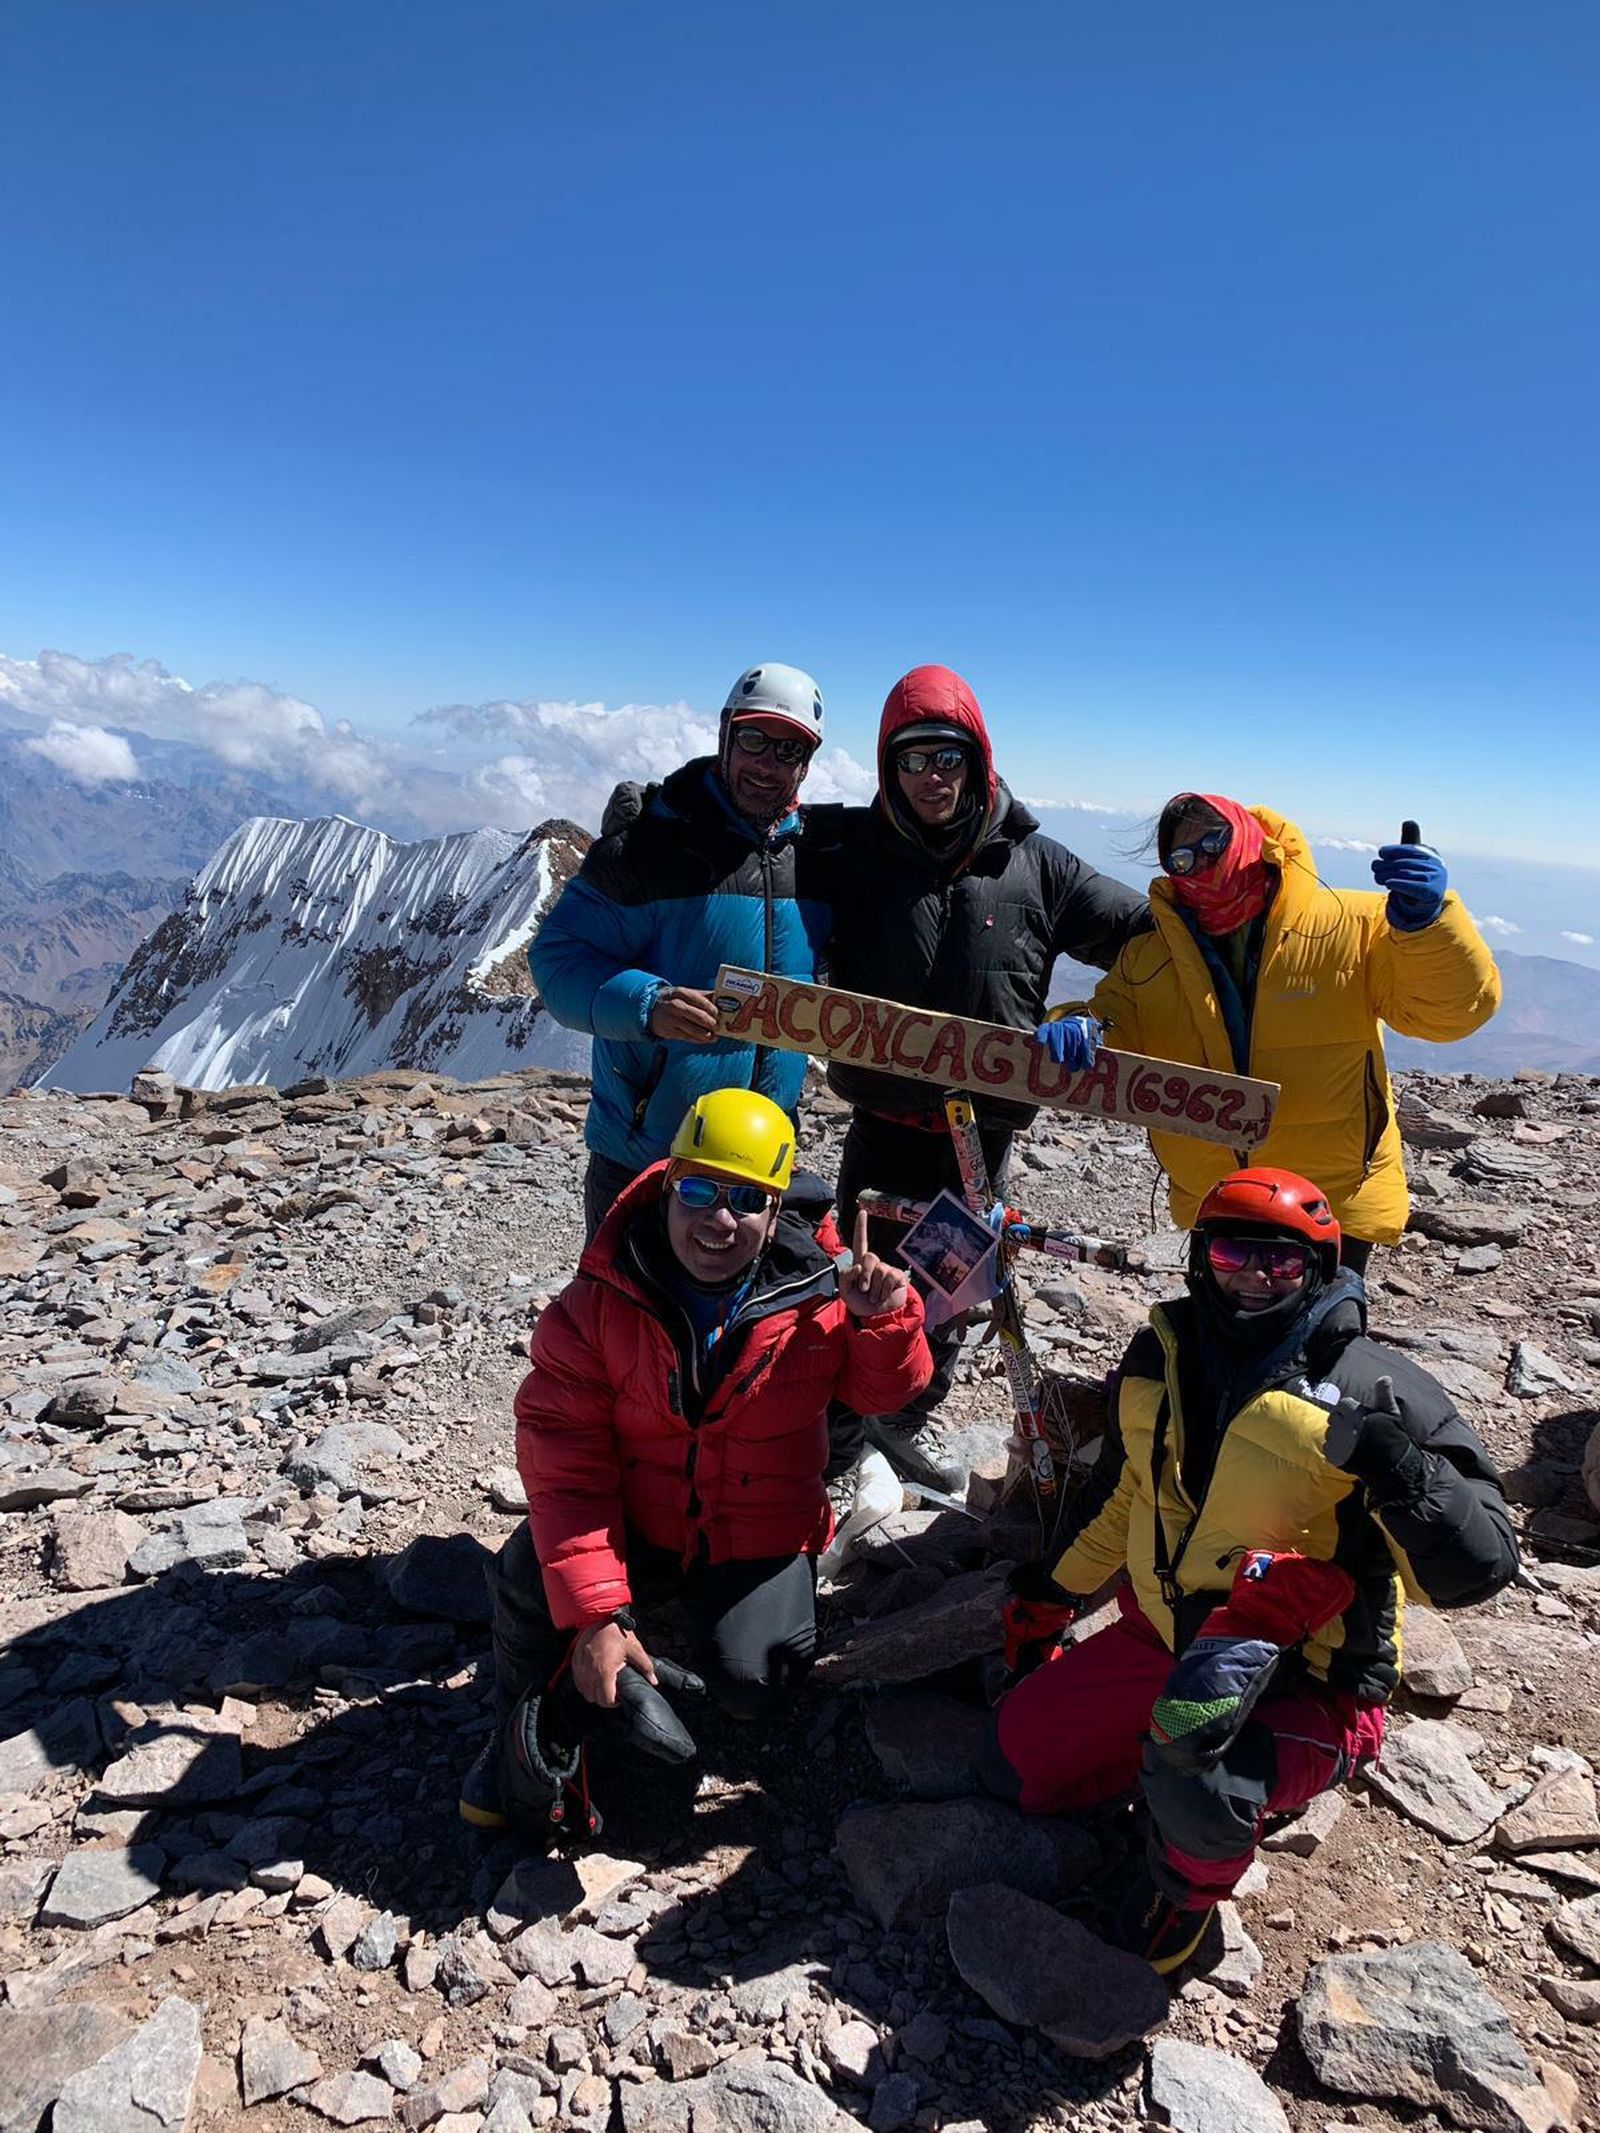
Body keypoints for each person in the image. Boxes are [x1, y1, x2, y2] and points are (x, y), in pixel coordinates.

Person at [983, 1167, 1518, 1974]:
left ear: (1323, 1268)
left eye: (1284, 1262)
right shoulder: (1160, 1351)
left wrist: (1405, 1471)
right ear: (1200, 1257)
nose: (1255, 1278)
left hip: (1308, 1674)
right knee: (1023, 1748)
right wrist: (1056, 1591)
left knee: (1198, 1776)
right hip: (1167, 1633)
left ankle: (1190, 1886)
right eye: (1235, 1254)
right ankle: (1173, 1769)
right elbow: (1129, 1490)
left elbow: (1479, 1568)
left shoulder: (1372, 1383)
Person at [459, 1088, 932, 1831]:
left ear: (778, 1213)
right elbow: (565, 1464)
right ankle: (518, 1729)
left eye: (746, 1199)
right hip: (639, 1523)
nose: (718, 1218)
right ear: (669, 1183)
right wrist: (596, 1615)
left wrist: (887, 1323)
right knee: (525, 1574)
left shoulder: (825, 1286)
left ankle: (642, 1673)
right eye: (700, 1189)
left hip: (759, 1530)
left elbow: (885, 1392)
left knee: (754, 1686)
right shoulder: (602, 1298)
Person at [815, 663, 1148, 1479]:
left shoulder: (1040, 866)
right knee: (860, 1288)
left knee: (950, 1297)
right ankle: (836, 1446)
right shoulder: (849, 851)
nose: (931, 777)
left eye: (948, 757)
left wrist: (1093, 1018)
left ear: (979, 758)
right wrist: (658, 822)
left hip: (978, 1143)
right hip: (883, 1129)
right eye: (912, 759)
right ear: (888, 765)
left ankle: (903, 1427)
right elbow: (747, 854)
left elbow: (1150, 940)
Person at [1050, 795, 1500, 1270]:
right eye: (1184, 857)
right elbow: (1113, 1021)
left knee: (1324, 1334)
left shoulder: (1355, 925)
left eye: (1213, 840)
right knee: (1220, 1335)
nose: (1203, 862)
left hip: (1331, 1197)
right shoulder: (1149, 956)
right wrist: (1077, 1025)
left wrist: (1427, 927)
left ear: (1249, 836)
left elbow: (1449, 1015)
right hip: (1219, 1196)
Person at [527, 663, 832, 1241]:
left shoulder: (817, 861)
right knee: (621, 1321)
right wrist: (649, 1004)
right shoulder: (649, 848)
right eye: (754, 740)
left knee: (740, 1324)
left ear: (807, 763)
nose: (768, 764)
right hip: (648, 1154)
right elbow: (558, 957)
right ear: (725, 736)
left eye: (788, 750)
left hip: (759, 1155)